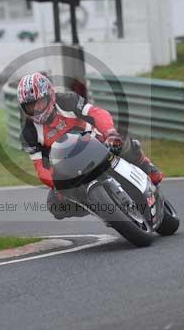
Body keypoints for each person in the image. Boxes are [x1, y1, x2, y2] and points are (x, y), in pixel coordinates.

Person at [18, 72, 163, 220]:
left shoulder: (67, 100)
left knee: (121, 140)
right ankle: (98, 206)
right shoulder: (29, 133)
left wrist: (110, 133)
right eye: (30, 106)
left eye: (39, 102)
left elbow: (97, 113)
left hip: (96, 144)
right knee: (54, 204)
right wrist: (57, 184)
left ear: (49, 95)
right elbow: (40, 168)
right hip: (69, 169)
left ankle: (145, 165)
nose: (35, 109)